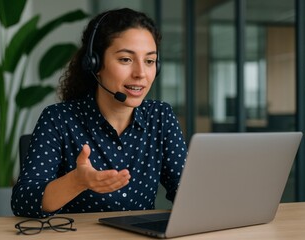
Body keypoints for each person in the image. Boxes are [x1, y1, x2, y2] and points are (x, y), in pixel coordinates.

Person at [11, 8, 187, 218]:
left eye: (149, 61)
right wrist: (77, 181)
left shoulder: (161, 117)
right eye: (126, 59)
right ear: (95, 64)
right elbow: (23, 201)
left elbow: (186, 192)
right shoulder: (58, 119)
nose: (141, 73)